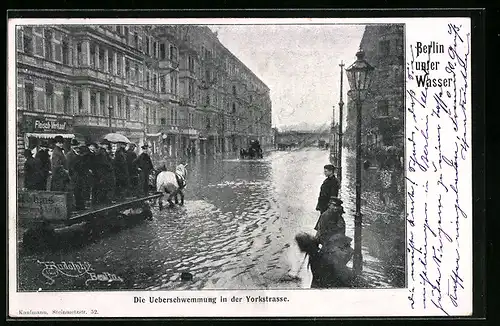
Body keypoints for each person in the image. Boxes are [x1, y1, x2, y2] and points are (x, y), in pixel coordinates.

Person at [66, 139, 87, 210]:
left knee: (80, 190)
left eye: (76, 145)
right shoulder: (69, 154)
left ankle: (81, 205)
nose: (75, 147)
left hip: (80, 175)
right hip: (74, 175)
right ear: (71, 146)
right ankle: (76, 206)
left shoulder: (79, 154)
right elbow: (69, 166)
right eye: (73, 146)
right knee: (75, 191)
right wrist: (71, 174)